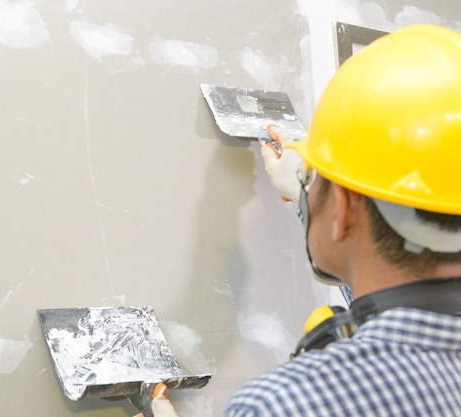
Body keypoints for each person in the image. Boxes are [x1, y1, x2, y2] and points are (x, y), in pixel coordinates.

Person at [139, 23, 461, 417]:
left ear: (342, 211)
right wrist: (311, 194)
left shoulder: (286, 404)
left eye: (316, 179)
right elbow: (395, 281)